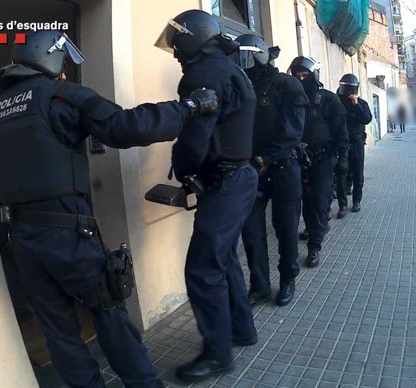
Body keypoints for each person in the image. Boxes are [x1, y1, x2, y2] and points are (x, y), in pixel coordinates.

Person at [0, 30, 219, 388]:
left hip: (22, 239)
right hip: (68, 234)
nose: (64, 72)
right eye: (62, 65)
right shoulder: (61, 96)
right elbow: (124, 127)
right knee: (108, 310)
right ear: (50, 60)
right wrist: (186, 108)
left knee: (58, 331)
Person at [155, 10, 258, 383]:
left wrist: (183, 170)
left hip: (224, 183)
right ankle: (242, 329)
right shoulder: (228, 68)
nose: (175, 53)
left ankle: (218, 354)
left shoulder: (202, 75)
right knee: (224, 258)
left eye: (177, 44)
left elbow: (195, 137)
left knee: (202, 268)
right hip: (240, 177)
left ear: (191, 39)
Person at [235, 34, 308, 307]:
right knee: (251, 232)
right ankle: (259, 286)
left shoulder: (286, 85)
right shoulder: (240, 86)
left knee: (286, 229)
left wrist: (265, 157)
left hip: (283, 167)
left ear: (259, 55)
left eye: (246, 56)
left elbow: (292, 132)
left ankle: (287, 279)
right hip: (251, 170)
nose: (242, 63)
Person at [289, 56, 348, 267]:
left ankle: (315, 246)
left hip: (323, 158)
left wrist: (343, 159)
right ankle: (314, 228)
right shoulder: (290, 99)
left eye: (305, 75)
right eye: (297, 76)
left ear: (313, 76)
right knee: (305, 200)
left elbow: (341, 132)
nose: (301, 79)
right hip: (298, 158)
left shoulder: (329, 100)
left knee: (321, 202)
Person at [337, 74, 372, 214]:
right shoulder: (337, 102)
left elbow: (366, 119)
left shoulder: (361, 103)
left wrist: (356, 105)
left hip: (357, 142)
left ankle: (356, 201)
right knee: (341, 174)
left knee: (358, 173)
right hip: (342, 143)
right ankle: (342, 205)